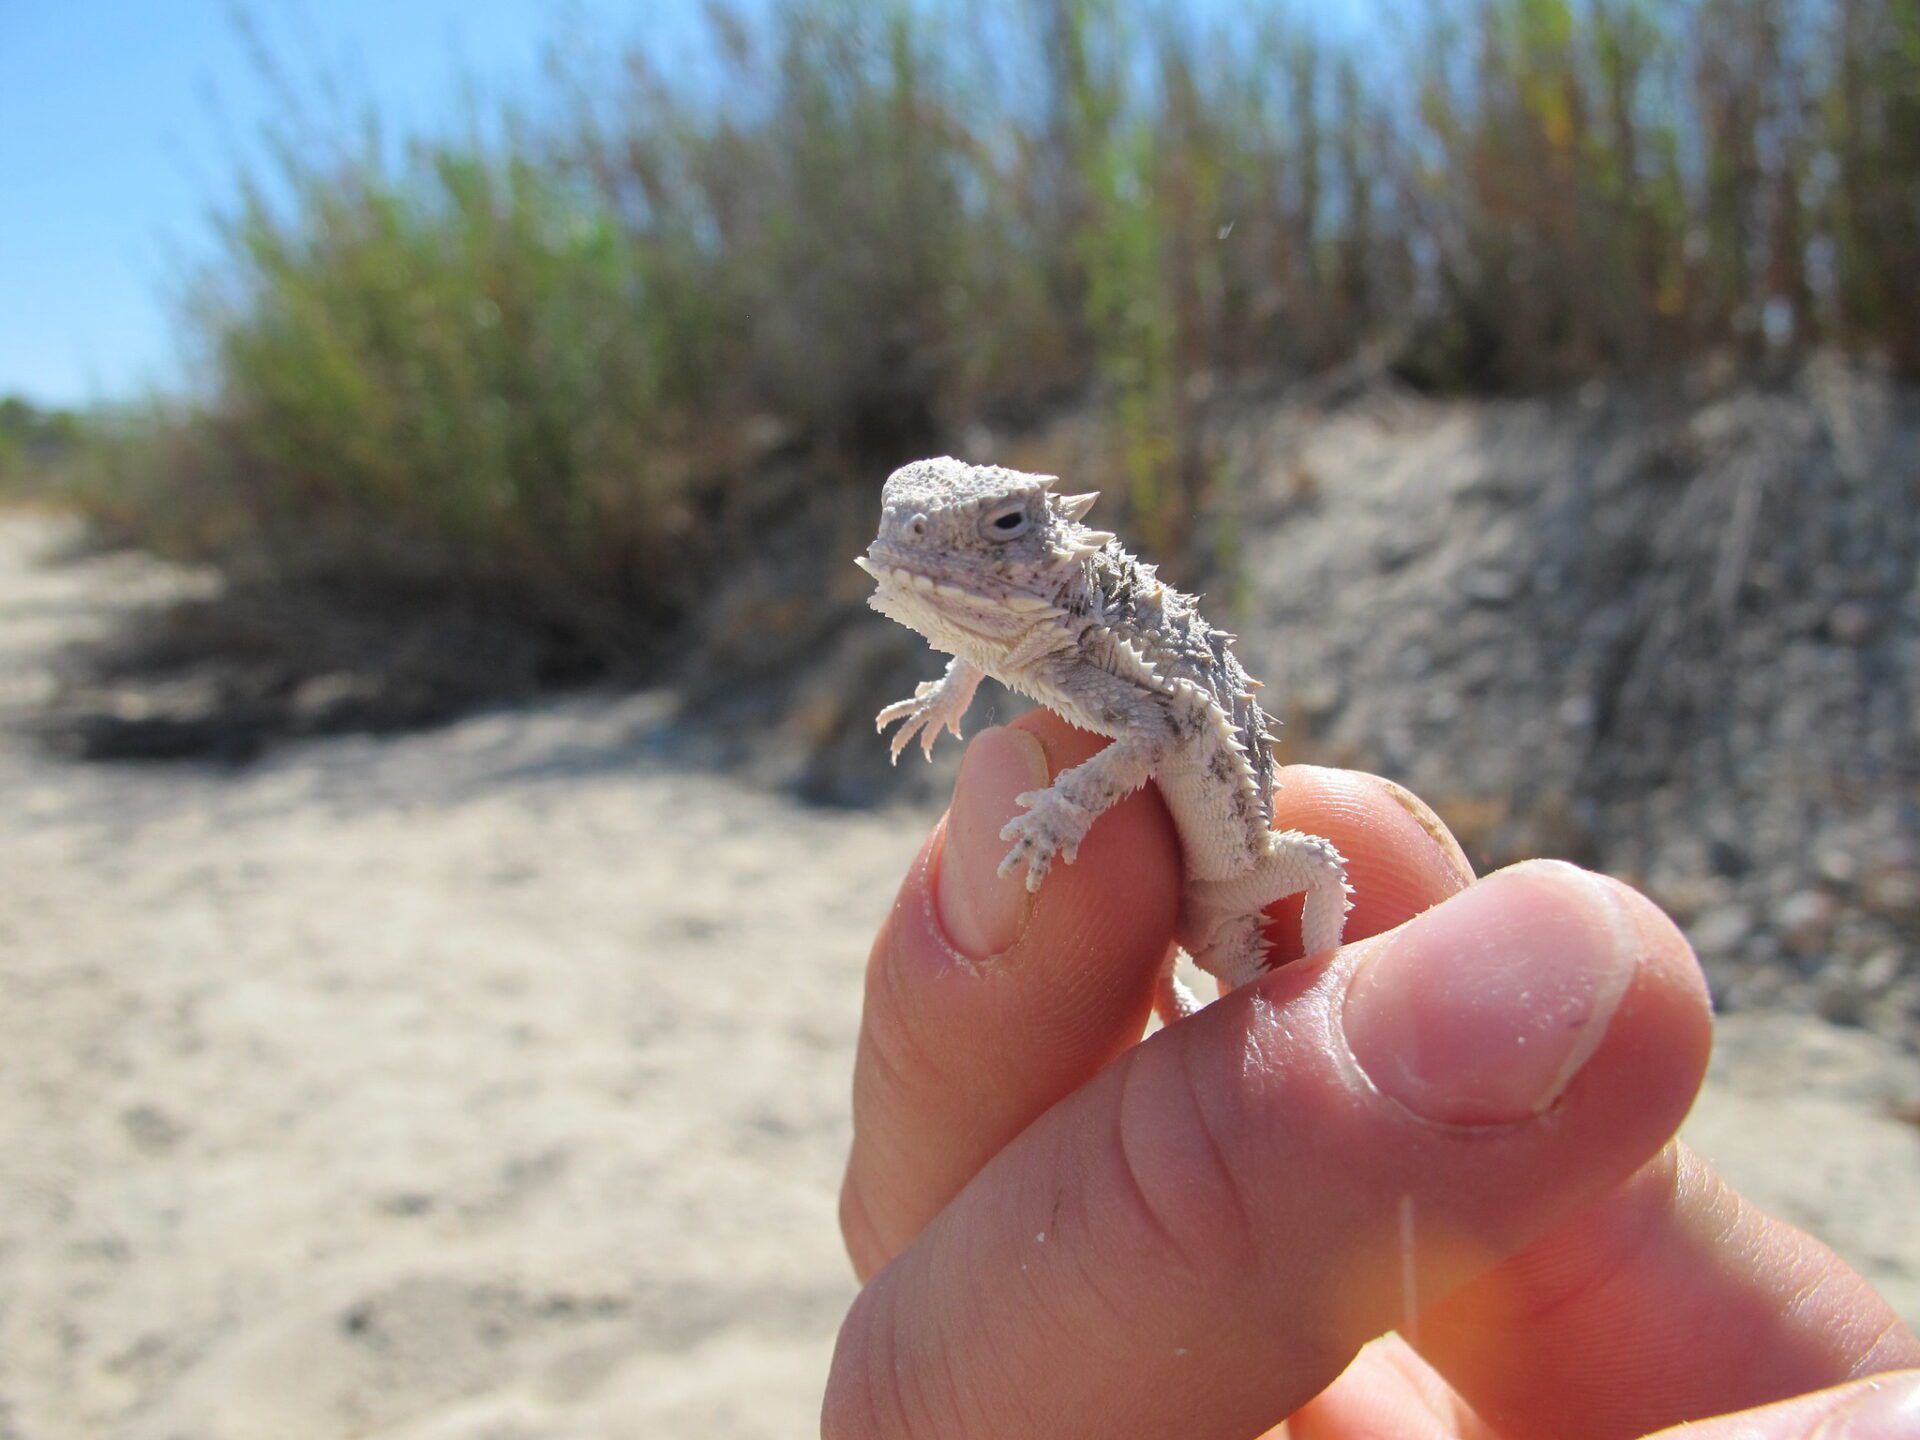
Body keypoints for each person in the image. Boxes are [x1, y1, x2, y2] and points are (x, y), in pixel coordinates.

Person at [822, 712, 1920, 1439]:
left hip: (1243, 870)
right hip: (1204, 888)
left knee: (1323, 872)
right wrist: (959, 688)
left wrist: (1069, 808)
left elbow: (1151, 725)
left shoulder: (1092, 615)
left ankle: (1331, 983)